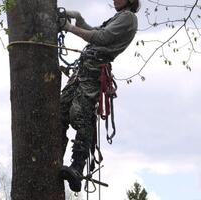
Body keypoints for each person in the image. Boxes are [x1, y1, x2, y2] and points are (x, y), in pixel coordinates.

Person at [59, 0, 140, 192]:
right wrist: (79, 19)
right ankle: (55, 156)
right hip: (84, 68)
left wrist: (69, 28)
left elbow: (100, 38)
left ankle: (77, 168)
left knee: (81, 114)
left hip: (95, 70)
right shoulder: (119, 17)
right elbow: (93, 32)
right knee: (61, 109)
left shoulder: (128, 18)